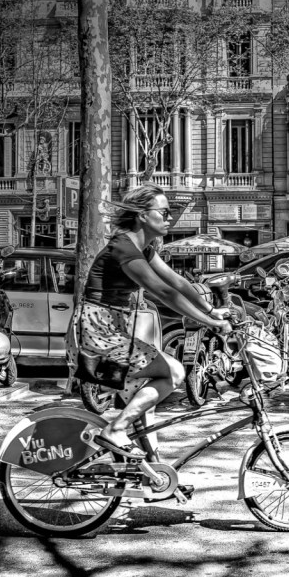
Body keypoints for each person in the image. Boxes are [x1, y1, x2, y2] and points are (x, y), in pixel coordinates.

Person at [74, 183, 232, 459]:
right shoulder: (123, 248)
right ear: (142, 215)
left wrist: (211, 310)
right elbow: (164, 292)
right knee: (173, 373)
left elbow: (179, 282)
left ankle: (153, 470)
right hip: (99, 328)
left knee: (146, 400)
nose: (170, 218)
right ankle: (115, 429)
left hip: (112, 327)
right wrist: (210, 322)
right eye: (165, 212)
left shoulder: (144, 249)